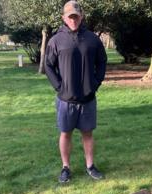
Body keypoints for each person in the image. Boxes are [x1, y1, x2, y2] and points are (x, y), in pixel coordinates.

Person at [45, 0, 107, 183]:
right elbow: (48, 65)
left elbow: (102, 62)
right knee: (65, 133)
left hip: (88, 98)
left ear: (81, 17)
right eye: (70, 16)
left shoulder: (93, 39)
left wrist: (95, 83)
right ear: (64, 18)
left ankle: (90, 165)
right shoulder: (56, 40)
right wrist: (59, 86)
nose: (73, 19)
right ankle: (66, 167)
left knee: (87, 133)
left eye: (76, 16)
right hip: (66, 100)